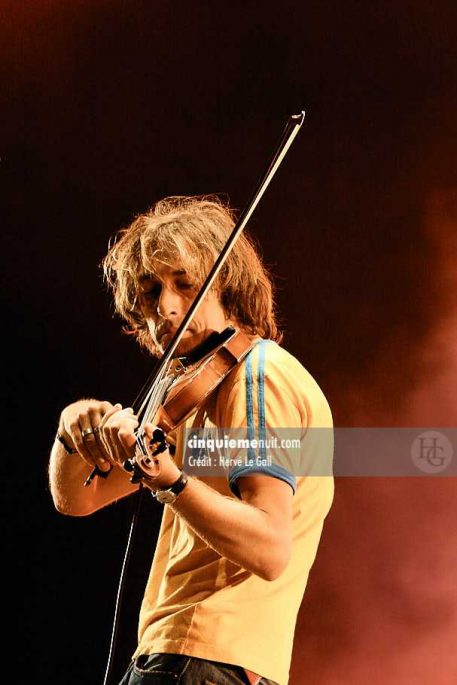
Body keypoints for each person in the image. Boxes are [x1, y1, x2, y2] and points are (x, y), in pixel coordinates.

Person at [49, 195, 334, 685]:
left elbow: (270, 547)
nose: (167, 306)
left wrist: (170, 482)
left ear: (227, 284)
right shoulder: (196, 393)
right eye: (150, 291)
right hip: (201, 662)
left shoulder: (257, 377)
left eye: (185, 283)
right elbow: (77, 498)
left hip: (199, 659)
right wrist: (71, 433)